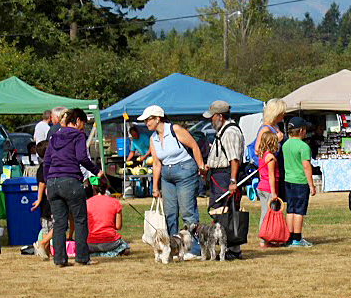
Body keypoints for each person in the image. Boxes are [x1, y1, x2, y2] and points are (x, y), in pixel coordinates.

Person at [43, 108, 99, 267]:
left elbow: (46, 161)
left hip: (53, 181)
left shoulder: (54, 136)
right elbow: (82, 157)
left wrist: (48, 182)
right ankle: (82, 257)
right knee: (80, 220)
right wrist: (96, 171)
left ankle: (59, 259)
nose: (83, 128)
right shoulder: (78, 135)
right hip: (70, 181)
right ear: (78, 121)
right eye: (83, 124)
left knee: (59, 223)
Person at [142, 105, 205, 237]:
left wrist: (201, 167)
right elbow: (156, 163)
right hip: (166, 174)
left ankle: (194, 246)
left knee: (187, 211)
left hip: (185, 170)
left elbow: (194, 146)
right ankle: (173, 244)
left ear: (158, 118)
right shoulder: (152, 138)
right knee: (169, 212)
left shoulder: (174, 129)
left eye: (149, 119)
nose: (146, 123)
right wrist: (155, 187)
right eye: (145, 120)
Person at [204, 100, 245, 259]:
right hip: (218, 176)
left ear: (220, 116)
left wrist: (233, 181)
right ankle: (226, 248)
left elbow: (234, 159)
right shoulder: (223, 131)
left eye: (212, 117)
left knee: (226, 213)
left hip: (225, 176)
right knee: (219, 212)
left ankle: (232, 249)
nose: (210, 120)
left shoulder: (230, 132)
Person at [252, 99, 287, 237]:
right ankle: (265, 236)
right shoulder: (265, 129)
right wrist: (276, 141)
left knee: (273, 208)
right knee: (267, 210)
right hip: (268, 175)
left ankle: (273, 235)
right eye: (281, 113)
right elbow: (257, 149)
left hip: (275, 172)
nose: (283, 116)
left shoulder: (275, 126)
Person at [281, 117, 316, 247]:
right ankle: (297, 237)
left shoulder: (286, 144)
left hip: (288, 180)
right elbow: (306, 166)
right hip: (300, 181)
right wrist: (311, 184)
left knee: (290, 209)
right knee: (299, 210)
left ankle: (289, 237)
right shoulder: (303, 146)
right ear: (301, 130)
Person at [84, 176, 130, 256]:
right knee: (124, 246)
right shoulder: (115, 203)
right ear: (106, 187)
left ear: (93, 187)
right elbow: (118, 226)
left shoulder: (86, 203)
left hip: (90, 243)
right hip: (110, 242)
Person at [255, 129, 282, 248]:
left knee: (265, 212)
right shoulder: (270, 157)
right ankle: (264, 239)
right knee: (267, 214)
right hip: (267, 188)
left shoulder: (262, 155)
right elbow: (271, 175)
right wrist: (273, 192)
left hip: (262, 186)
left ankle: (267, 238)